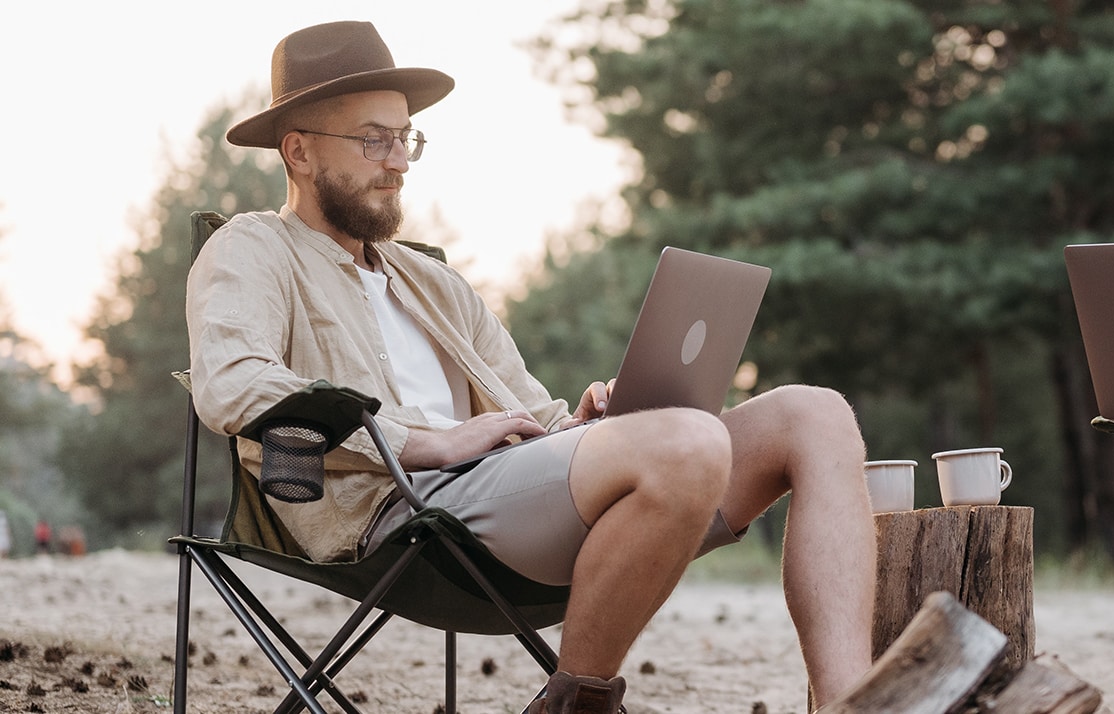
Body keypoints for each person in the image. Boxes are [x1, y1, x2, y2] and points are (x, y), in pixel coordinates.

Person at [188, 22, 875, 713]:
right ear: (298, 151)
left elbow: (529, 410)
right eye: (374, 139)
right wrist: (423, 442)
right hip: (408, 519)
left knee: (813, 415)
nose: (399, 160)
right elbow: (231, 385)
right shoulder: (256, 248)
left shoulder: (432, 282)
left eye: (406, 139)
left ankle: (854, 704)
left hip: (505, 500)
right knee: (690, 443)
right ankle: (581, 700)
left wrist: (582, 423)